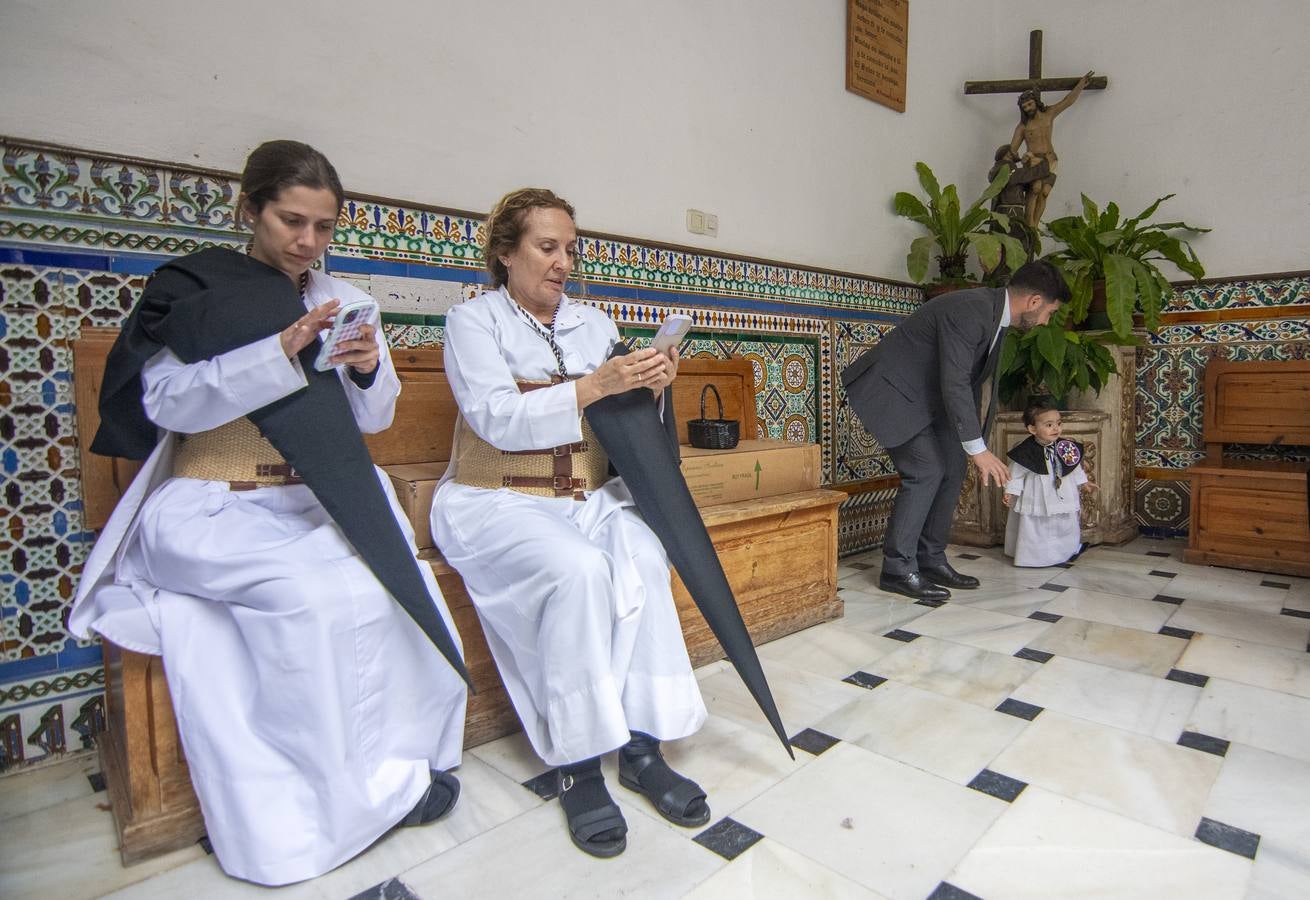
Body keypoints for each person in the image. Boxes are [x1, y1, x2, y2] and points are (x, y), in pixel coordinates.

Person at [69, 140, 467, 886]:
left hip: (311, 498)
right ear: (248, 208)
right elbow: (165, 402)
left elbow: (374, 422)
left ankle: (397, 767)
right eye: (291, 220)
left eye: (322, 226)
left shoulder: (343, 296)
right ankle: (306, 815)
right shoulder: (195, 290)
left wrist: (369, 367)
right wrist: (277, 353)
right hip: (213, 506)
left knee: (390, 587)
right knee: (314, 601)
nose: (306, 241)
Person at [430, 188, 710, 859]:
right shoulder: (473, 323)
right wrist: (595, 386)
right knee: (580, 571)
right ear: (505, 252)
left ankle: (641, 747)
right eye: (546, 247)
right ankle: (580, 765)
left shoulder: (594, 323)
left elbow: (621, 424)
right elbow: (494, 417)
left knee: (644, 550)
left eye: (570, 250)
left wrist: (650, 383)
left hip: (584, 496)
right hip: (494, 497)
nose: (563, 263)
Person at [841, 260, 1069, 601]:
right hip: (891, 391)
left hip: (925, 398)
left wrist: (974, 447)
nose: (1046, 321)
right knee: (926, 471)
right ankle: (897, 569)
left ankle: (930, 560)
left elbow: (970, 384)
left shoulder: (994, 314)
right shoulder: (970, 309)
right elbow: (955, 381)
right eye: (1050, 312)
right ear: (1034, 301)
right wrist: (978, 450)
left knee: (952, 467)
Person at [1003, 402, 1093, 567]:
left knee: (1064, 523)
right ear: (1032, 429)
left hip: (1062, 494)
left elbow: (1073, 467)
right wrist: (1011, 492)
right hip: (1036, 496)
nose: (1056, 428)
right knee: (1037, 526)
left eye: (1059, 423)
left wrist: (1084, 482)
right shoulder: (1025, 451)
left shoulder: (1065, 447)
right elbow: (1015, 475)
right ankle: (1034, 557)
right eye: (1049, 425)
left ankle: (1067, 551)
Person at [1008, 71, 1094, 227]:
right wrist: (1021, 158)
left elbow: (1067, 101)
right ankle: (1029, 226)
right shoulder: (1023, 127)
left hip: (1050, 159)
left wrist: (1080, 85)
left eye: (1030, 104)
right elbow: (1012, 150)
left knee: (1044, 193)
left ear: (1036, 102)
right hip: (1034, 162)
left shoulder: (1049, 114)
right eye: (1024, 106)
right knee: (1035, 189)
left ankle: (1035, 224)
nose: (1028, 108)